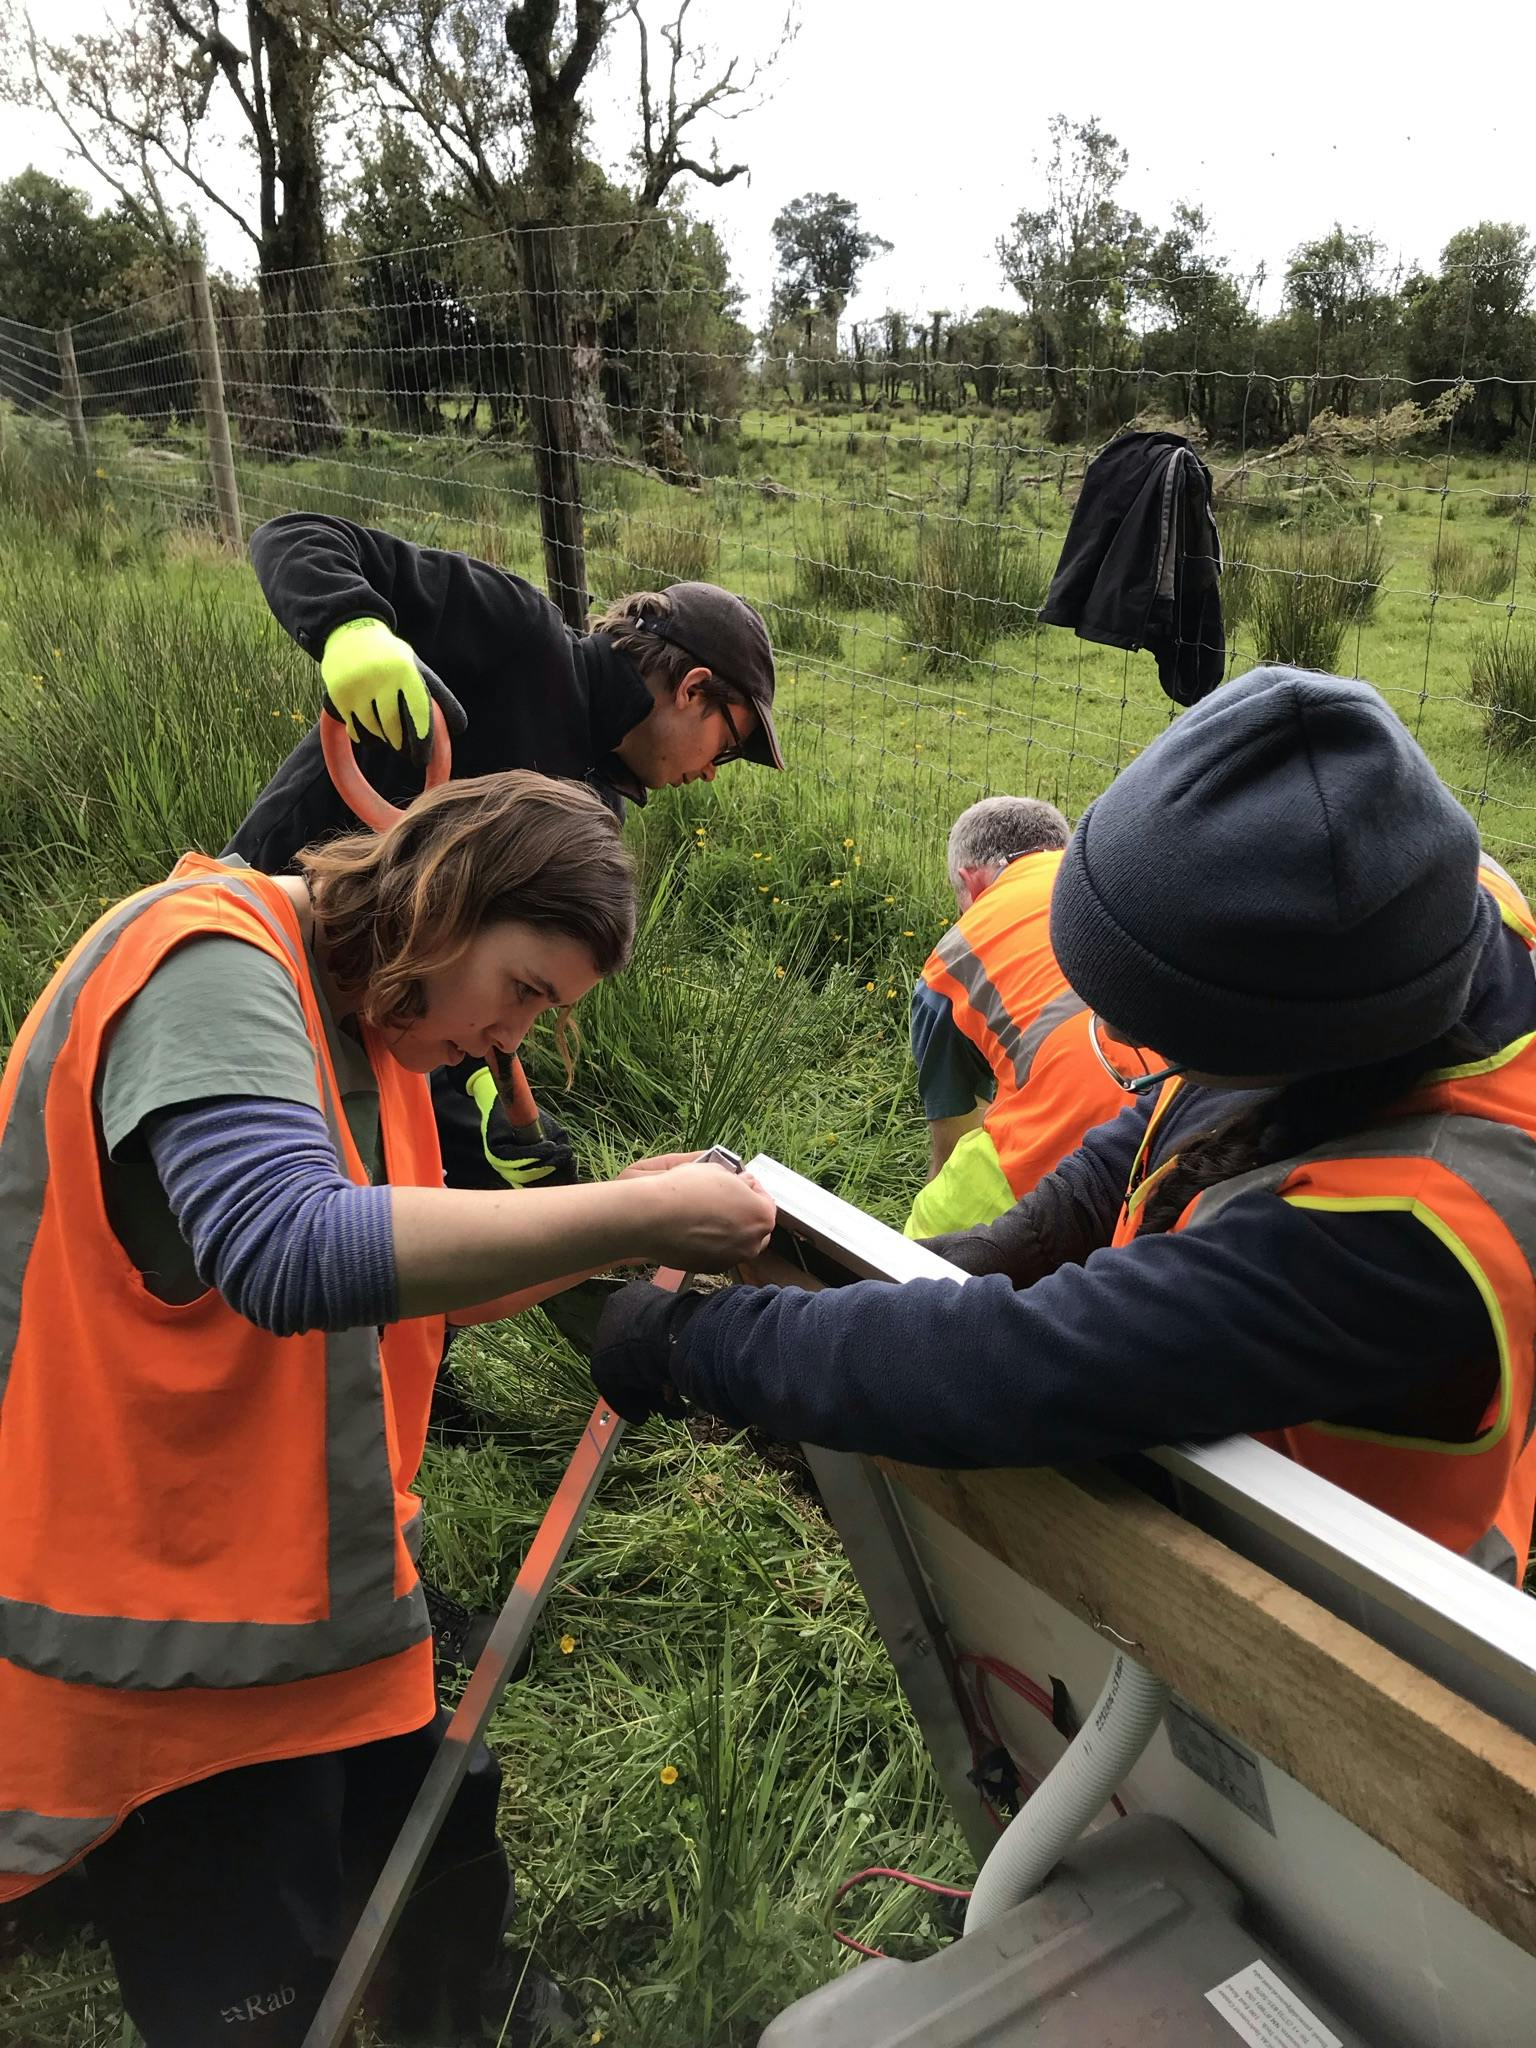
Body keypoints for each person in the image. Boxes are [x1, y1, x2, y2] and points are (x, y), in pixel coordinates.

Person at [0, 770, 775, 2045]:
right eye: (525, 987)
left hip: (302, 1584)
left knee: (435, 1819)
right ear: (448, 895)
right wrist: (640, 1215)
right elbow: (289, 1245)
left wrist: (597, 1237)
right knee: (251, 1969)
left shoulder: (368, 1023)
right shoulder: (207, 958)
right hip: (157, 1617)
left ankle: (451, 2006)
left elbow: (403, 1281)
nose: (512, 1037)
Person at [588, 667, 1536, 1582]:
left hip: (1366, 1605)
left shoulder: (1407, 1230)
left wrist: (699, 1347)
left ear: (1284, 1030)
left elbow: (1030, 1366)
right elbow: (1168, 1120)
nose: (1112, 1037)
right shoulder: (1423, 910)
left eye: (1150, 1019)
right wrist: (984, 1251)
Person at [229, 512, 784, 1197]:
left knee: (348, 1196)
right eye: (726, 746)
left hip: (379, 1014)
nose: (711, 773)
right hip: (270, 941)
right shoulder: (521, 639)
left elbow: (475, 992)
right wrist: (353, 630)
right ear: (693, 688)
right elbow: (297, 537)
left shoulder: (592, 813)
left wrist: (492, 1123)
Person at [905, 795, 1127, 1238]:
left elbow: (952, 1135)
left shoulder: (949, 962)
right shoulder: (1116, 880)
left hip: (1089, 1131)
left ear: (971, 882)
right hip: (1195, 1113)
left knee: (928, 1239)